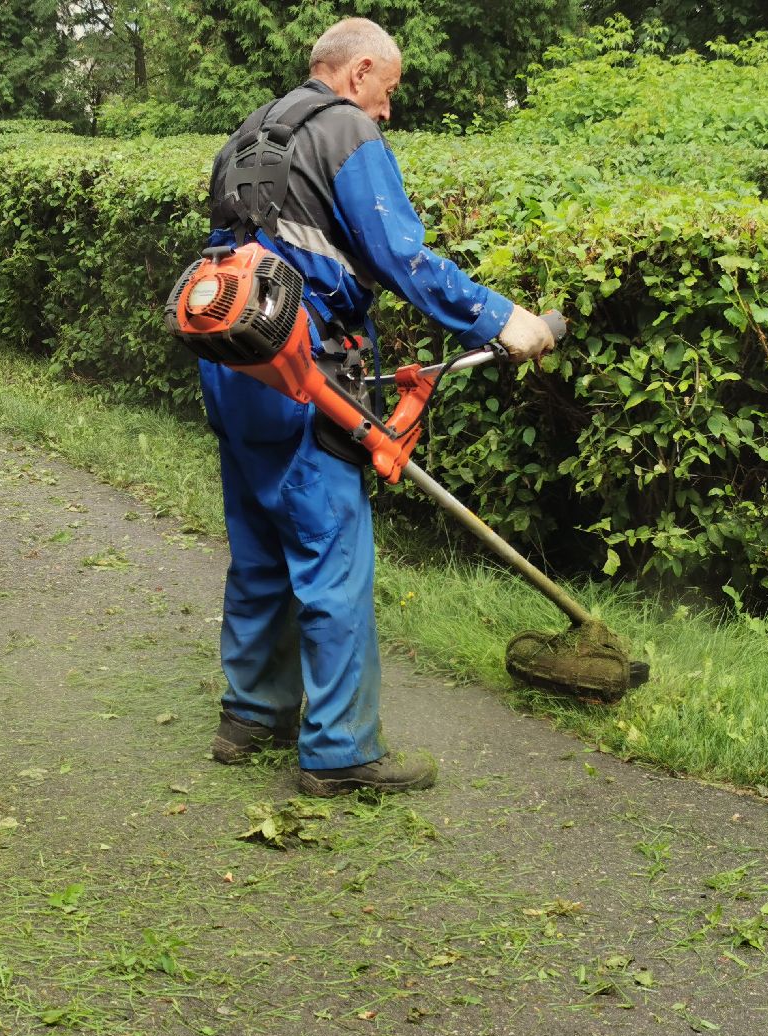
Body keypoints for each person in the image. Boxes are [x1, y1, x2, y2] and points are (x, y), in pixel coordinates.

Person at [199, 16, 556, 796]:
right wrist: (502, 318)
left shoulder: (248, 136)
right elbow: (401, 255)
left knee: (259, 547)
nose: (387, 110)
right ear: (359, 71)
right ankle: (341, 753)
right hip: (303, 373)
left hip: (232, 363)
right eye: (387, 91)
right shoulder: (345, 129)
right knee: (331, 557)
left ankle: (251, 715)